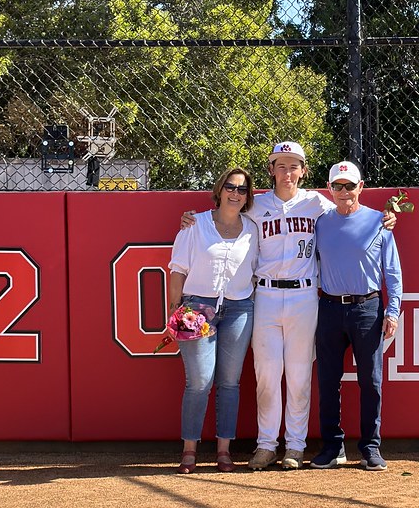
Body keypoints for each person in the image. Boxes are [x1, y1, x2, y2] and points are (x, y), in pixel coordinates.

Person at [182, 142, 396, 471]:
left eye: (294, 166)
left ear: (304, 171)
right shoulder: (255, 206)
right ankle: (267, 445)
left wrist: (386, 219)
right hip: (265, 295)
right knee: (266, 375)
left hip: (305, 296)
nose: (287, 172)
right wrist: (191, 220)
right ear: (271, 170)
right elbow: (220, 215)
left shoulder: (317, 203)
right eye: (280, 166)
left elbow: (348, 210)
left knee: (298, 376)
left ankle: (295, 446)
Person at [311, 160, 402, 471]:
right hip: (329, 308)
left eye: (350, 185)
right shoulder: (321, 223)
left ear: (361, 187)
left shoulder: (380, 222)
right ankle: (332, 447)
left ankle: (371, 447)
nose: (344, 191)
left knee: (371, 382)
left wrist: (393, 310)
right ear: (329, 189)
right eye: (338, 186)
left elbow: (392, 271)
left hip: (367, 308)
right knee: (327, 381)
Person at [168, 167, 258, 474]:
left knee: (230, 383)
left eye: (242, 190)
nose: (235, 193)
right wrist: (174, 310)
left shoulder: (252, 228)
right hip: (197, 308)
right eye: (231, 187)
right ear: (219, 190)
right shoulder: (195, 224)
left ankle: (224, 450)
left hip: (239, 309)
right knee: (199, 382)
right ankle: (190, 450)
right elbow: (178, 268)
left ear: (248, 197)